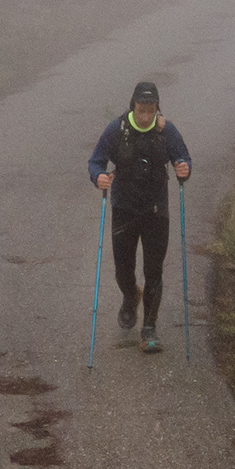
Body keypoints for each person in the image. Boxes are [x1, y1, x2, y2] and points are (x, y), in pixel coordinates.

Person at [87, 80, 192, 353]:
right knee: (123, 270)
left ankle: (149, 329)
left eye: (151, 110)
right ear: (132, 106)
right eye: (141, 109)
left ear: (157, 108)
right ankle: (131, 295)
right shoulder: (117, 130)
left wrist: (184, 169)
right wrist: (97, 176)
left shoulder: (166, 131)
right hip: (124, 209)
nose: (146, 116)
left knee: (153, 270)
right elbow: (96, 161)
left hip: (156, 211)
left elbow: (183, 159)